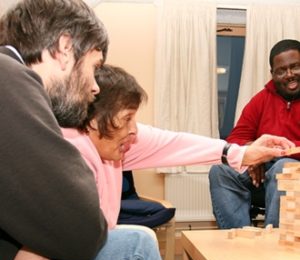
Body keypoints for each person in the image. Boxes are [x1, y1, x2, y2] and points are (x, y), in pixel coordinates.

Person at [0, 1, 170, 260]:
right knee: (136, 251)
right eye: (95, 67)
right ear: (65, 48)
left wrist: (37, 247)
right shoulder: (8, 76)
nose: (95, 87)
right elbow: (83, 228)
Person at [61, 64, 295, 231]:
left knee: (285, 167)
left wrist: (244, 155)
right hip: (79, 253)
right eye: (126, 119)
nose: (134, 131)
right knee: (139, 243)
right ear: (92, 119)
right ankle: (240, 241)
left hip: (288, 171)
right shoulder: (67, 150)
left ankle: (270, 244)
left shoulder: (118, 138)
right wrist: (249, 153)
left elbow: (176, 143)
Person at [209, 39, 300, 229]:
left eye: (295, 67)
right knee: (221, 170)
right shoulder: (261, 99)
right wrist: (254, 154)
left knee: (284, 166)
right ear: (273, 74)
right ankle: (239, 241)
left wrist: (271, 153)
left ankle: (274, 244)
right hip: (263, 175)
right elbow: (235, 139)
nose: (289, 75)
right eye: (281, 70)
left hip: (293, 173)